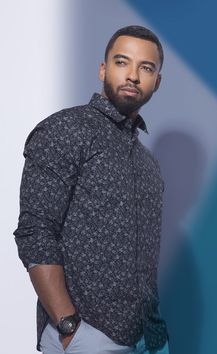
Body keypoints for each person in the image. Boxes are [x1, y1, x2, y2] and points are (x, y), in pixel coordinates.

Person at [13, 25, 169, 354]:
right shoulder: (68, 129)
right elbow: (35, 231)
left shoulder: (148, 165)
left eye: (146, 68)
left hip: (150, 338)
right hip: (89, 336)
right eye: (122, 62)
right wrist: (69, 328)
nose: (133, 76)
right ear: (103, 69)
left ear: (157, 81)